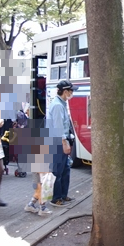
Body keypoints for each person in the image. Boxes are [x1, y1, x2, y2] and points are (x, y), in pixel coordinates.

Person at [48, 79, 78, 207]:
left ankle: (63, 195)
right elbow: (58, 127)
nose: (72, 94)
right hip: (58, 142)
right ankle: (56, 198)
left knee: (65, 169)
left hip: (60, 141)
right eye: (71, 91)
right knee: (58, 171)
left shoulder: (61, 103)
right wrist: (64, 143)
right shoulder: (58, 106)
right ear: (65, 91)